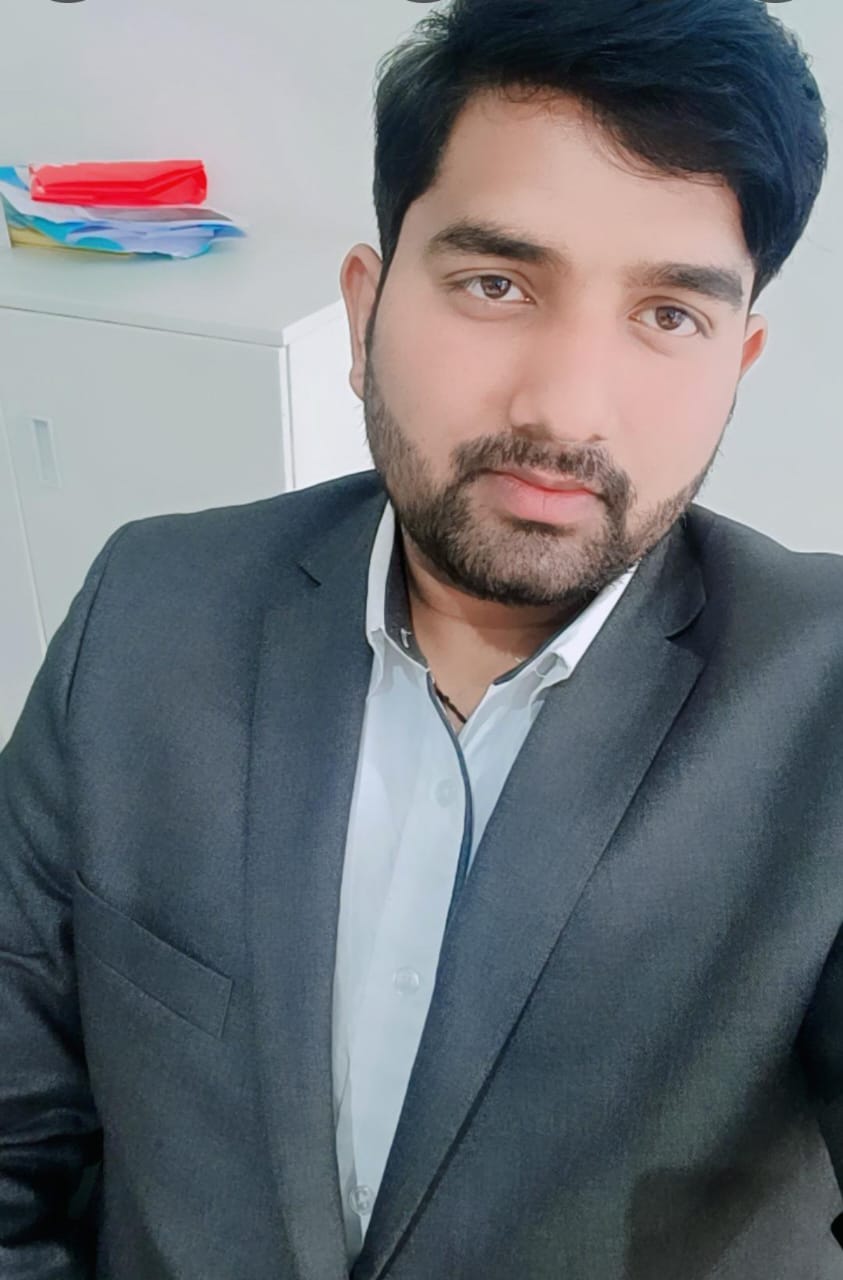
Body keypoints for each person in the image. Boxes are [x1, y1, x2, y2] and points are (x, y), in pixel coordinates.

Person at [0, 0, 838, 1275]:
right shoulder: (148, 612)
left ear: (741, 359)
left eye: (669, 314)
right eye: (496, 284)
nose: (565, 406)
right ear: (366, 310)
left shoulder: (824, 702)